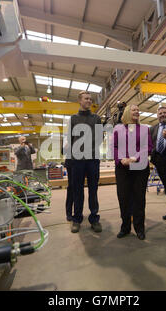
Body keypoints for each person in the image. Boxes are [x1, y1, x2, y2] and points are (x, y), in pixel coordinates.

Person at [112, 104, 153, 240]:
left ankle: (139, 228)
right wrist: (121, 159)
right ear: (128, 112)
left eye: (138, 110)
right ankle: (125, 227)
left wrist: (135, 158)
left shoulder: (144, 129)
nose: (137, 112)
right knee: (123, 198)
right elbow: (114, 146)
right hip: (122, 168)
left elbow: (148, 147)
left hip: (139, 168)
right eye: (134, 109)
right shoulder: (118, 129)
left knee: (139, 199)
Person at [67, 91, 102, 233]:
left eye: (90, 99)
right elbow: (70, 139)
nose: (89, 101)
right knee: (77, 190)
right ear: (80, 101)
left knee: (93, 190)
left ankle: (94, 218)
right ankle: (77, 219)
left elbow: (100, 138)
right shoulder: (73, 119)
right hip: (77, 161)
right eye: (86, 98)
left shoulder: (97, 118)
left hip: (92, 159)